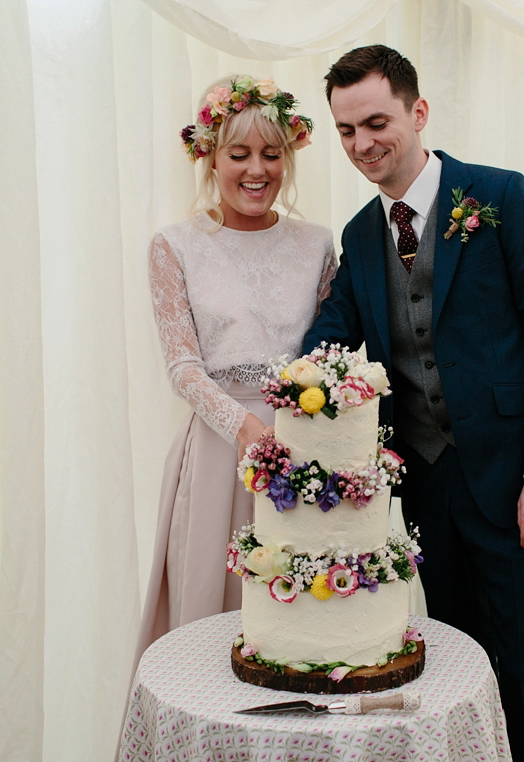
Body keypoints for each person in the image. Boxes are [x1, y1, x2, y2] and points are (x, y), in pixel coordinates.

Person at [303, 46, 524, 761]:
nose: (362, 144)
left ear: (417, 111)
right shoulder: (361, 236)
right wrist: (286, 378)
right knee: (460, 665)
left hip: (518, 485)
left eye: (375, 122)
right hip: (428, 487)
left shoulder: (499, 197)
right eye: (345, 130)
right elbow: (332, 336)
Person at [135, 75, 335, 664]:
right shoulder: (174, 245)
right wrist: (244, 429)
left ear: (289, 157)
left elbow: (327, 353)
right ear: (209, 157)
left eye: (271, 155)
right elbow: (183, 366)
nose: (257, 170)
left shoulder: (319, 245)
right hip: (221, 452)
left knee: (301, 629)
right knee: (213, 627)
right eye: (239, 153)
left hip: (302, 446)